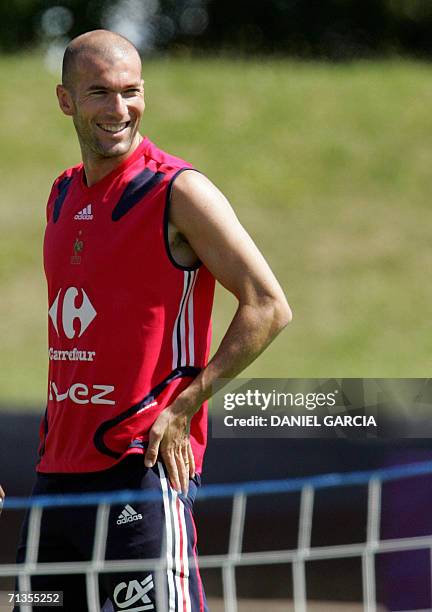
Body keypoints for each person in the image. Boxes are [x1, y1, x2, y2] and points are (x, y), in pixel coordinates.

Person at [14, 29, 291, 611]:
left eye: (131, 92)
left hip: (137, 473)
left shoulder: (178, 191)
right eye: (99, 93)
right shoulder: (61, 195)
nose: (119, 109)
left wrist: (185, 405)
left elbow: (268, 305)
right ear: (65, 100)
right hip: (53, 482)